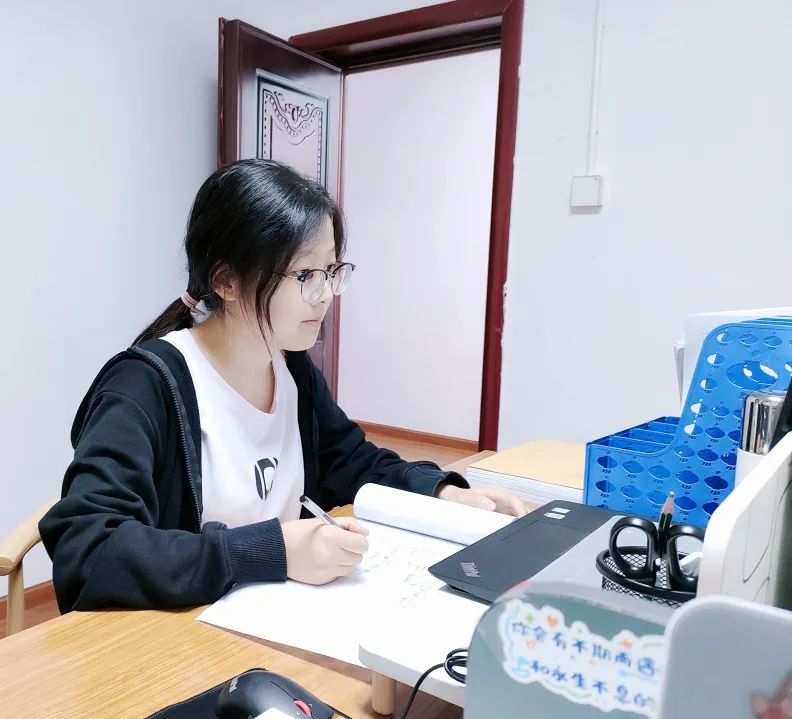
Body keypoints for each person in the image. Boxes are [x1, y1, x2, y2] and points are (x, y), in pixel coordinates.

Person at [39, 159, 526, 612]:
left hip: (273, 620)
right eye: (306, 275)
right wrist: (273, 550)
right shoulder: (145, 386)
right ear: (227, 281)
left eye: (331, 272)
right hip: (179, 639)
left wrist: (445, 494)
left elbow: (352, 461)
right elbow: (91, 551)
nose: (326, 294)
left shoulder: (289, 367)